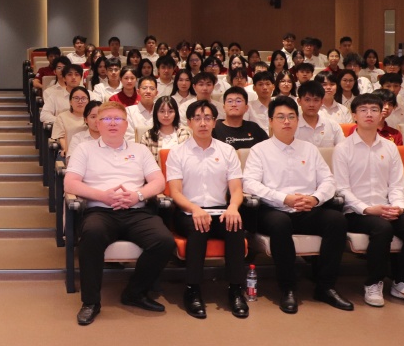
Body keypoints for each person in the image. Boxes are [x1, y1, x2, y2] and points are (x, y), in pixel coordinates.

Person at [63, 101, 175, 326]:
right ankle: (91, 302)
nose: (112, 123)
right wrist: (102, 196)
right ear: (97, 123)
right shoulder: (85, 149)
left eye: (117, 119)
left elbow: (158, 181)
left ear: (126, 124)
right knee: (91, 236)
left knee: (164, 241)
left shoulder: (140, 150)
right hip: (100, 210)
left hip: (136, 210)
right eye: (106, 119)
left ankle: (135, 292)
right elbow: (70, 183)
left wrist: (137, 195)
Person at [243, 96, 354, 314]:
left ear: (297, 120)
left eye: (291, 117)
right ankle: (288, 288)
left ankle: (325, 287)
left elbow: (328, 180)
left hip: (306, 209)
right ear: (270, 121)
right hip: (273, 210)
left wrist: (315, 199)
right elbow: (250, 183)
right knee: (281, 224)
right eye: (280, 117)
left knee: (336, 221)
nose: (286, 121)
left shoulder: (309, 149)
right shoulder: (259, 150)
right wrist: (284, 198)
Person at [332, 93, 404, 308]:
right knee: (381, 228)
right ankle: (373, 283)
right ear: (354, 115)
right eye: (363, 110)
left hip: (387, 207)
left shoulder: (390, 147)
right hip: (355, 212)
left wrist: (399, 208)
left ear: (381, 115)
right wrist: (368, 209)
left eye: (374, 110)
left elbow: (396, 185)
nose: (369, 114)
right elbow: (342, 189)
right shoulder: (342, 149)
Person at [166, 99, 249, 319]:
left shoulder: (227, 151)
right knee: (198, 227)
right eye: (197, 118)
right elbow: (175, 192)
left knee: (235, 226)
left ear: (214, 122)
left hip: (220, 210)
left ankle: (236, 290)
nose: (203, 123)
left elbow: (237, 189)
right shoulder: (177, 153)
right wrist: (195, 209)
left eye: (207, 118)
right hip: (188, 211)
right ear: (189, 122)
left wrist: (233, 207)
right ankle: (192, 290)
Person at [294, 80, 345, 148]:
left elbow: (344, 150)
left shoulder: (333, 126)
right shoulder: (292, 127)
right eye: (307, 100)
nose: (311, 105)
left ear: (322, 102)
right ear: (299, 101)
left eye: (316, 100)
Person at [51, 86, 89, 157]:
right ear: (70, 102)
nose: (80, 101)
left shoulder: (93, 117)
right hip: (70, 152)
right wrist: (67, 150)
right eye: (76, 98)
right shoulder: (62, 117)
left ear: (88, 101)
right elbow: (61, 138)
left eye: (83, 98)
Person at [124, 75, 158, 141]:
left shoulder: (161, 111)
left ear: (156, 93)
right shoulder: (129, 111)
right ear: (138, 92)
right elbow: (129, 137)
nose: (148, 91)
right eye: (144, 88)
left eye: (152, 89)